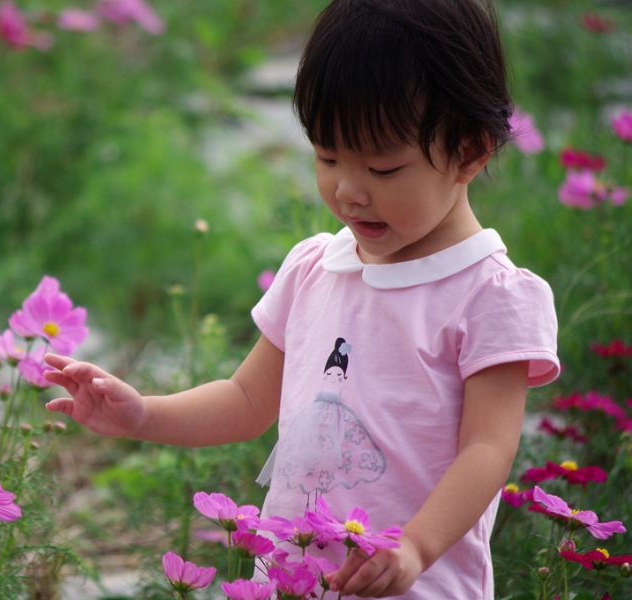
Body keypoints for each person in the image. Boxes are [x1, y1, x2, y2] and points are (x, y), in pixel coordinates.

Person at [43, 0, 560, 597]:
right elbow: (244, 400)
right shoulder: (318, 267)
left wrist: (416, 545)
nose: (347, 190)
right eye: (327, 156)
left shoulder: (489, 295)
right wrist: (143, 414)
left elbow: (488, 448)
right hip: (292, 581)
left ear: (469, 152)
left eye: (383, 169)